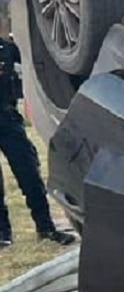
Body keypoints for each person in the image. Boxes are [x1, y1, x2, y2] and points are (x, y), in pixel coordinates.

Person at [0, 36, 76, 247]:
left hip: (8, 118)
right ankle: (2, 234)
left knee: (30, 174)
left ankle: (46, 228)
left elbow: (32, 60)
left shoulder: (6, 48)